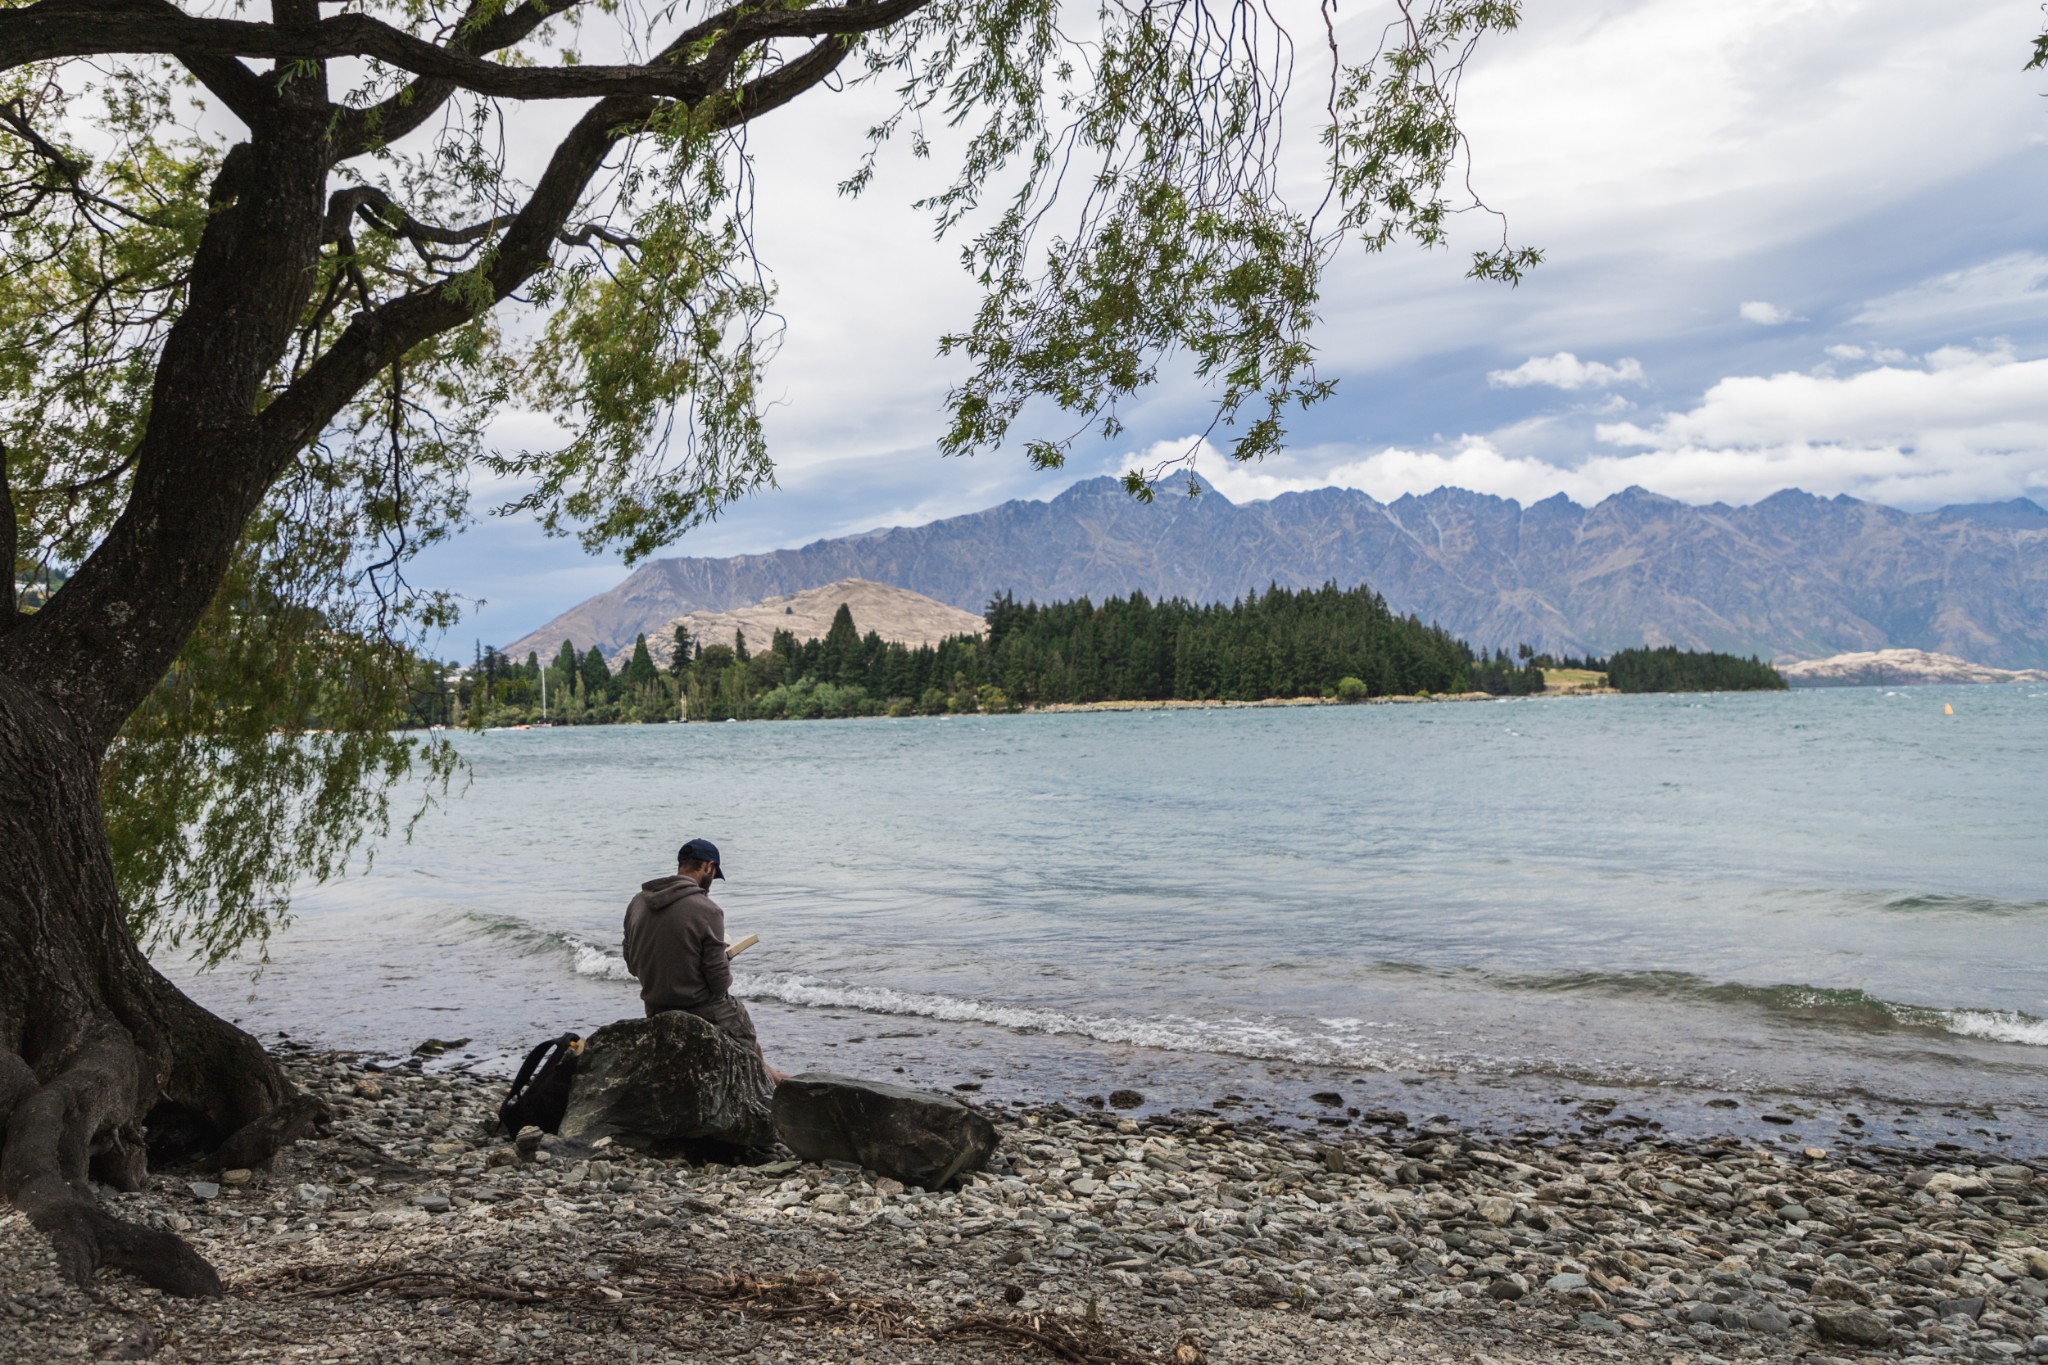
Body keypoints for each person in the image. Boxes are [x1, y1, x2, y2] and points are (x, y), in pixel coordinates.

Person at [622, 837, 786, 1083]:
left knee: (758, 1057)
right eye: (713, 874)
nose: (711, 882)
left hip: (655, 1007)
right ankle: (773, 1087)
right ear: (708, 867)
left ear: (682, 865)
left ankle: (776, 1079)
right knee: (746, 1041)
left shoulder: (637, 902)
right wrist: (725, 957)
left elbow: (632, 965)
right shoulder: (707, 910)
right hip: (698, 1008)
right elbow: (719, 983)